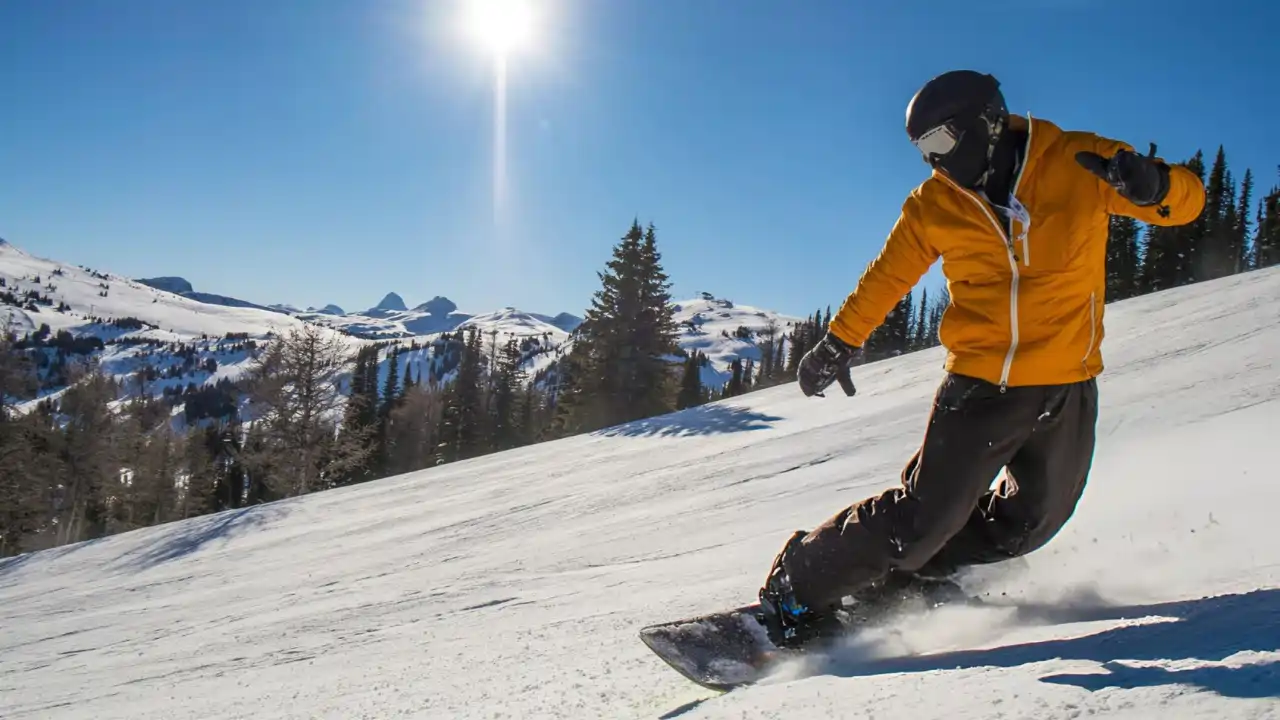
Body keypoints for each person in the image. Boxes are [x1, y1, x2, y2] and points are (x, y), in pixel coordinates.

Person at [757, 70, 1206, 648]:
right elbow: (888, 275)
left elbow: (1186, 205)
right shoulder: (935, 204)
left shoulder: (1080, 162)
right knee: (921, 520)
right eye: (923, 152)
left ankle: (909, 579)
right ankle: (797, 583)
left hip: (1067, 381)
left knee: (1029, 525)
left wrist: (1156, 187)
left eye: (941, 144)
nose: (934, 163)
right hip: (980, 383)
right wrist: (840, 340)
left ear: (986, 125)